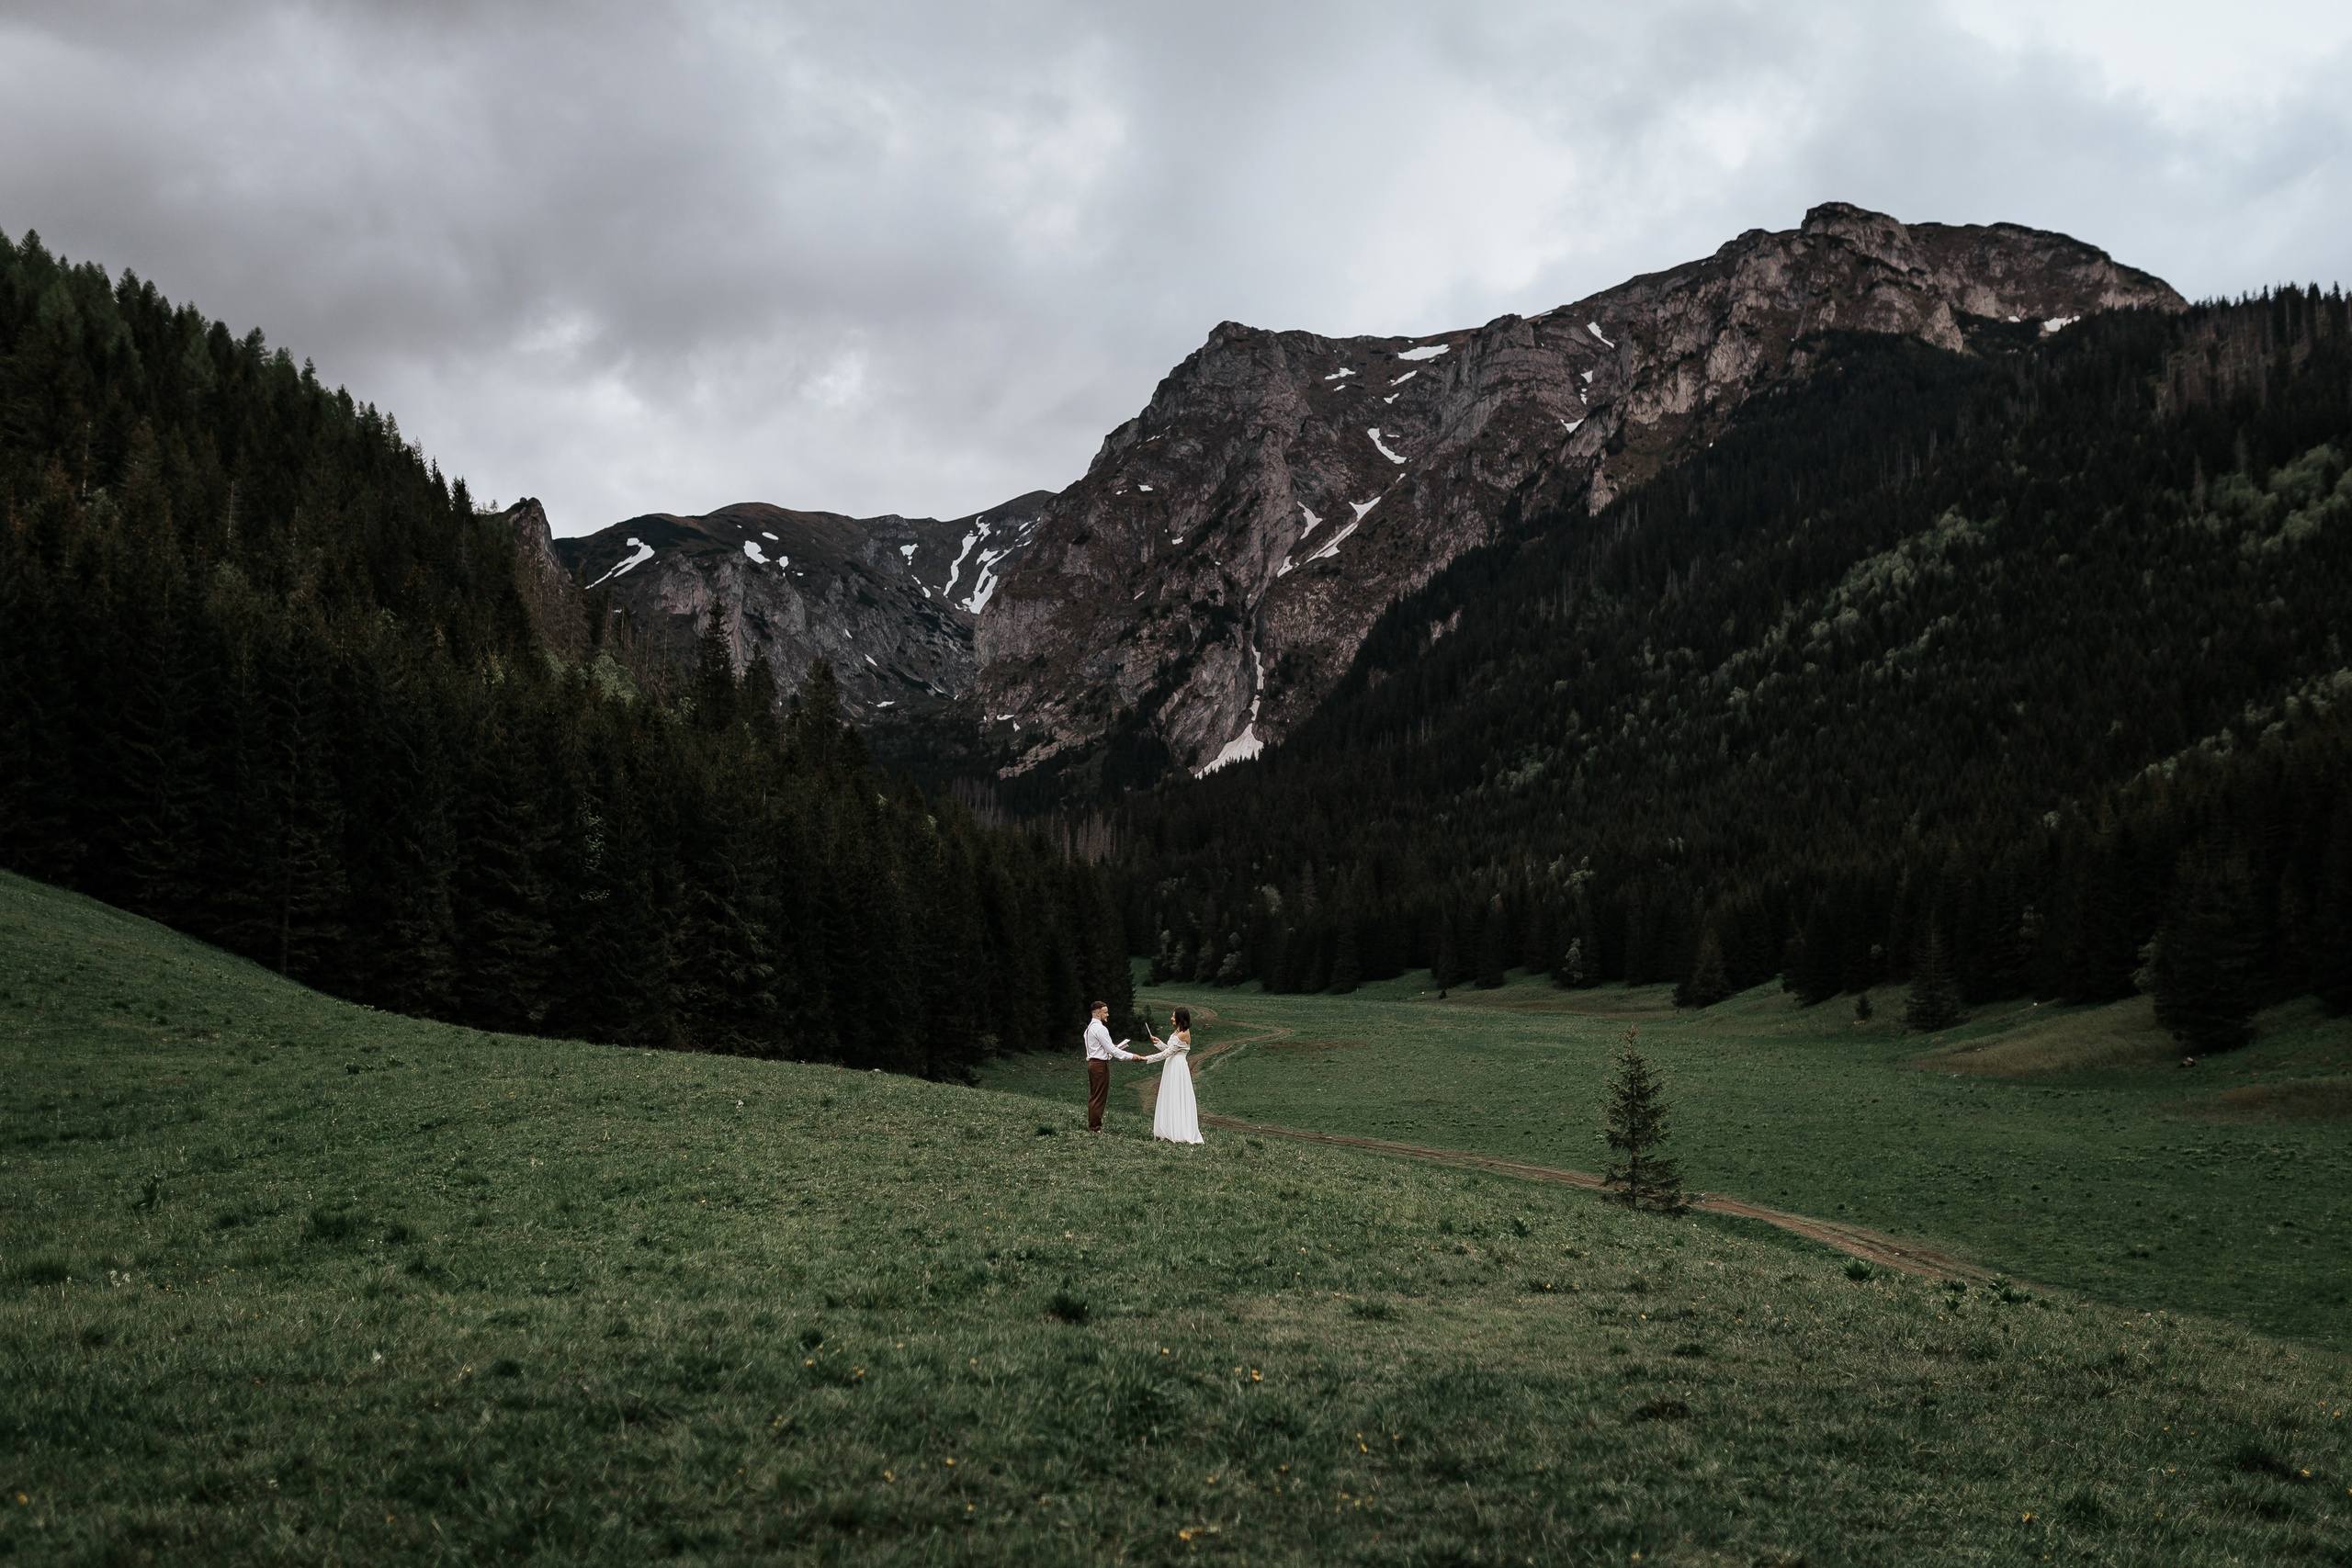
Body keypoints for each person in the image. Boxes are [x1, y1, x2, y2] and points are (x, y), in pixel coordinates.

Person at [1081, 1000, 1146, 1133]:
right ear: (1098, 1013)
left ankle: (1093, 1125)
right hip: (1100, 1065)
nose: (1108, 1015)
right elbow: (1113, 1051)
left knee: (1094, 1095)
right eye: (1105, 1012)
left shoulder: (1089, 1029)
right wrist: (1132, 1056)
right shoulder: (1100, 1028)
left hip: (1093, 1064)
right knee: (1099, 1097)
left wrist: (1112, 1047)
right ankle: (1095, 1128)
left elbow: (1101, 1047)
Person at [1141, 1006, 1203, 1145]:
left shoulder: (1183, 1034)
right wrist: (1159, 1043)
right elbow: (1170, 1050)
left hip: (1178, 1067)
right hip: (1172, 1065)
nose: (1171, 1018)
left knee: (1177, 1095)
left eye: (1174, 1016)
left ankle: (1179, 1131)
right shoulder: (1178, 1032)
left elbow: (1167, 1053)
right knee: (1170, 1095)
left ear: (1180, 1018)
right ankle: (1169, 1129)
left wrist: (1147, 1058)